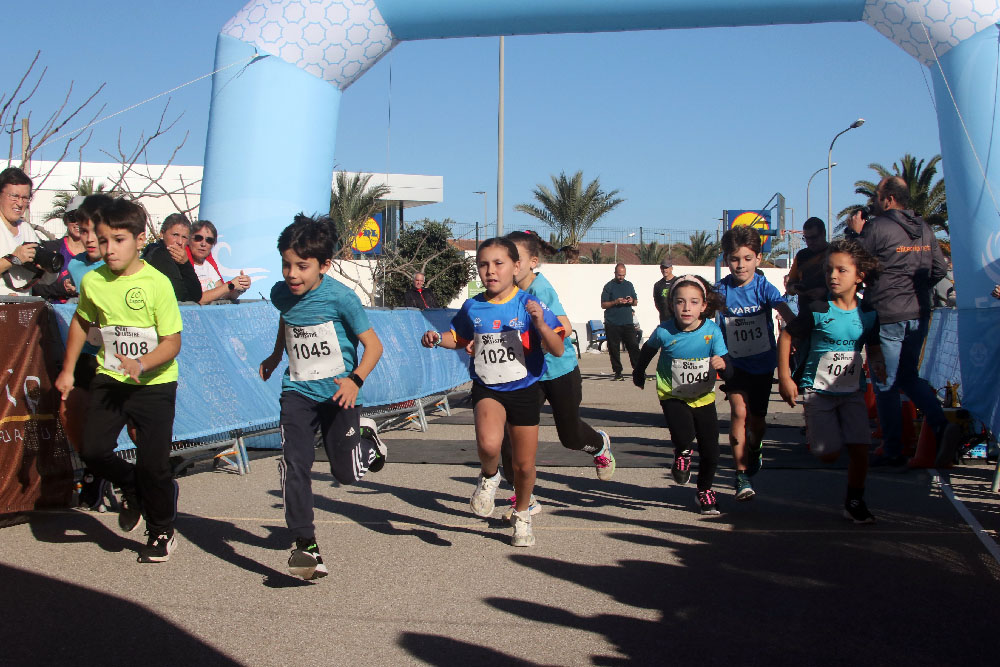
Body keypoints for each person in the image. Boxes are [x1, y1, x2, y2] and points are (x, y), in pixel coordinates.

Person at [54, 198, 184, 563]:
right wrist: (67, 370)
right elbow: (82, 321)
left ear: (140, 240)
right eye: (103, 240)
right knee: (93, 449)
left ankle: (161, 531)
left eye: (119, 240)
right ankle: (131, 485)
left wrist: (142, 363)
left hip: (155, 385)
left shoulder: (157, 284)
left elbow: (172, 342)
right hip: (110, 379)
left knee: (154, 464)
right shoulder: (94, 281)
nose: (109, 249)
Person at [258, 214, 388, 581]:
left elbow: (374, 347)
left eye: (302, 266)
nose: (292, 274)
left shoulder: (342, 298)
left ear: (324, 265)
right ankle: (306, 544)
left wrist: (355, 380)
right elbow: (288, 320)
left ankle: (366, 441)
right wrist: (276, 355)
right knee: (294, 463)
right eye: (286, 265)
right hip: (297, 391)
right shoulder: (281, 293)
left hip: (339, 395)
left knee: (346, 475)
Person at [421, 237, 565, 547]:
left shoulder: (528, 304)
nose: (490, 271)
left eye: (498, 263)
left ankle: (522, 514)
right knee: (488, 445)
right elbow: (458, 337)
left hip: (524, 389)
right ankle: (489, 476)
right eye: (483, 264)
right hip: (488, 387)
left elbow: (557, 348)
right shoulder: (473, 306)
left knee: (524, 465)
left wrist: (540, 324)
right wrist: (437, 338)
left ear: (515, 267)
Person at [495, 231, 615, 517]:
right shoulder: (505, 292)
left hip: (560, 371)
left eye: (518, 259)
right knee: (510, 436)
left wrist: (539, 333)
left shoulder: (540, 290)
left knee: (571, 437)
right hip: (527, 376)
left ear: (532, 262)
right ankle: (524, 498)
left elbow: (566, 327)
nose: (511, 265)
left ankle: (599, 445)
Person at [847, 176, 954, 466]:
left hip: (887, 313)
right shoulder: (924, 228)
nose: (873, 202)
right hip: (918, 312)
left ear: (889, 199)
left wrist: (856, 234)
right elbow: (939, 268)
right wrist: (916, 288)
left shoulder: (877, 227)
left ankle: (893, 448)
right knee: (908, 376)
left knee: (885, 382)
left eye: (877, 196)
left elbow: (853, 264)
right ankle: (941, 425)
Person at [778, 239, 886, 523]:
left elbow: (873, 347)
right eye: (828, 270)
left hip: (852, 391)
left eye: (841, 270)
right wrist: (785, 378)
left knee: (860, 449)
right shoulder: (818, 309)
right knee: (827, 453)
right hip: (819, 392)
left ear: (859, 276)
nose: (833, 276)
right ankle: (819, 430)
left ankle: (855, 501)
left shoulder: (868, 313)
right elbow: (787, 335)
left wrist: (878, 363)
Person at [632, 274, 732, 514]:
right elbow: (647, 351)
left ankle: (704, 490)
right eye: (680, 301)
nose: (687, 308)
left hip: (703, 396)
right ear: (671, 305)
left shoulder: (712, 331)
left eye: (694, 302)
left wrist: (724, 367)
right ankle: (683, 452)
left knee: (711, 450)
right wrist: (639, 372)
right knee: (684, 434)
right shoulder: (664, 331)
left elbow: (728, 366)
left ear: (704, 306)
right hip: (672, 392)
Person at [715, 226, 796, 501]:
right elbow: (702, 310)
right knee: (739, 412)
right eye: (735, 259)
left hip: (762, 364)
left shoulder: (763, 287)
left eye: (747, 259)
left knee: (757, 421)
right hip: (734, 364)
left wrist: (797, 327)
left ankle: (755, 445)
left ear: (758, 259)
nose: (741, 265)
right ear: (726, 259)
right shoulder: (721, 290)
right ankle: (741, 476)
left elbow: (782, 308)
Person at [61, 194, 114, 510]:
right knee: (70, 410)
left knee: (126, 427)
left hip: (121, 356)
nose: (88, 238)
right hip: (89, 352)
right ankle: (95, 469)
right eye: (83, 231)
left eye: (94, 231)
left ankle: (141, 480)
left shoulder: (121, 263)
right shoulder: (76, 266)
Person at [32, 196, 87, 303]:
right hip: (53, 310)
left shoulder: (98, 253)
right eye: (73, 217)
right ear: (66, 220)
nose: (78, 222)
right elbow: (33, 287)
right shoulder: (50, 249)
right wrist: (61, 288)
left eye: (83, 218)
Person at [186, 220, 251, 304]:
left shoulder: (208, 264)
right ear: (188, 240)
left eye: (209, 240)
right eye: (198, 238)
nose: (203, 244)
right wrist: (231, 285)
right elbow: (198, 299)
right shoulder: (182, 264)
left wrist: (240, 287)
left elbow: (224, 295)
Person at [141, 213, 202, 303]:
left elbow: (197, 294)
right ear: (162, 233)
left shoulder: (178, 259)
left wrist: (185, 264)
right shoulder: (158, 255)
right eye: (175, 235)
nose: (180, 242)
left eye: (184, 237)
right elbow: (179, 294)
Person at [0, 167, 41, 296]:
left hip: (23, 305)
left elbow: (46, 281)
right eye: (14, 196)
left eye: (25, 198)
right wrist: (13, 259)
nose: (20, 203)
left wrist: (47, 268)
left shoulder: (26, 229)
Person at [600, 263, 640, 381]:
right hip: (612, 323)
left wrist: (631, 301)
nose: (621, 277)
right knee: (614, 349)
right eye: (619, 275)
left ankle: (639, 370)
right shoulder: (609, 286)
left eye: (623, 275)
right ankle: (618, 372)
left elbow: (636, 302)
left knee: (633, 346)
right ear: (615, 273)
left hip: (627, 322)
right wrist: (615, 302)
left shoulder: (629, 285)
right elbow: (603, 305)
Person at [786, 217, 829, 302]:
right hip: (806, 307)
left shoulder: (834, 254)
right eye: (806, 238)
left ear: (823, 233)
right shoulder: (801, 256)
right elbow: (789, 286)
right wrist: (795, 288)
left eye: (814, 237)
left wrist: (826, 292)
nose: (810, 242)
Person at [652, 258, 674, 322]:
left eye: (666, 268)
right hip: (664, 319)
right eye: (662, 268)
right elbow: (657, 302)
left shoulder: (677, 282)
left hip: (676, 320)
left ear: (671, 268)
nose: (664, 270)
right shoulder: (657, 285)